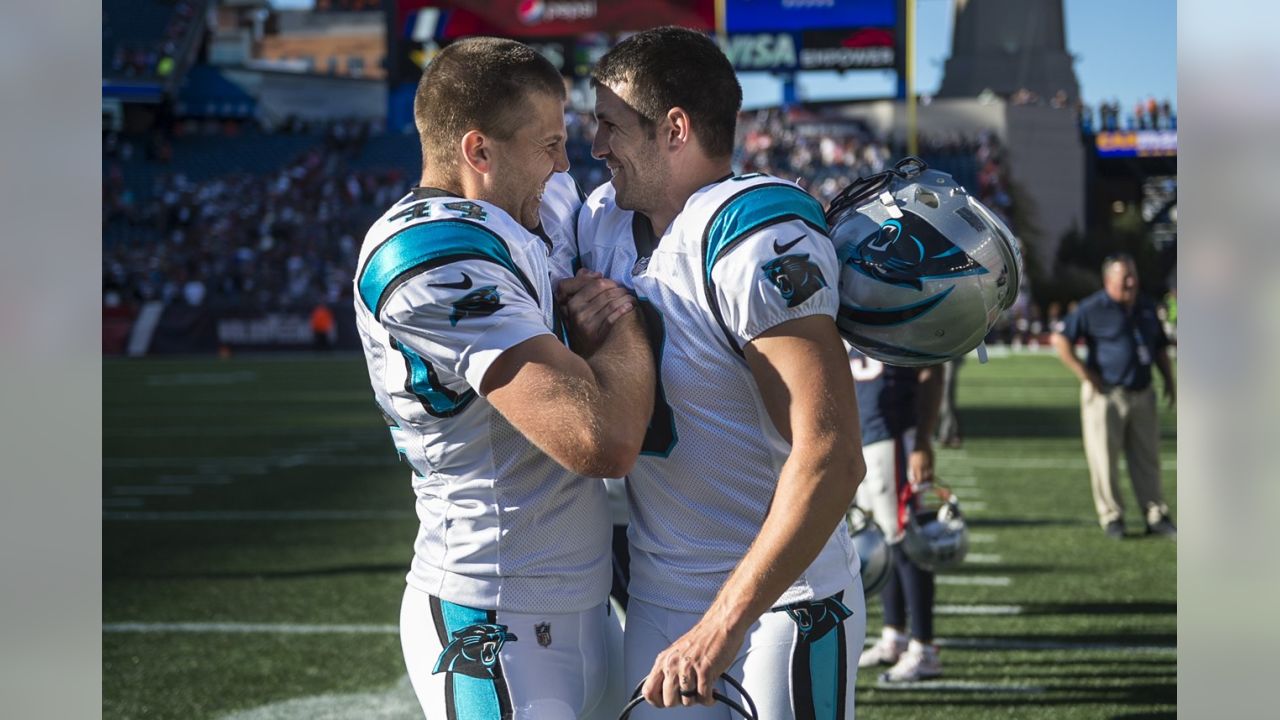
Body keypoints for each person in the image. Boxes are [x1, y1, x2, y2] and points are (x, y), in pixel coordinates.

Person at [352, 37, 655, 719]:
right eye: (547, 144)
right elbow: (598, 440)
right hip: (493, 615)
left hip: (588, 606)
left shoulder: (525, 207)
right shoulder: (428, 255)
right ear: (478, 152)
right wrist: (624, 328)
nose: (563, 162)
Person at [572, 27, 866, 718]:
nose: (596, 148)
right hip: (658, 594)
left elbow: (831, 455)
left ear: (673, 129)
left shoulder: (756, 233)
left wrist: (720, 627)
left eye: (611, 127)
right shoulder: (600, 223)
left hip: (781, 601)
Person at [1050, 254, 1176, 540]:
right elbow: (1061, 339)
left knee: (1148, 459)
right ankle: (1112, 516)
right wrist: (1085, 373)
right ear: (1109, 282)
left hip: (1142, 392)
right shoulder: (1093, 308)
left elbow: (1158, 347)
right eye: (1125, 278)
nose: (1131, 282)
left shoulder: (1145, 305)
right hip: (1106, 394)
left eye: (1133, 276)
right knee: (1104, 459)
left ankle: (1155, 514)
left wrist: (1169, 379)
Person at [847, 349, 947, 682]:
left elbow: (932, 368)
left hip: (891, 431)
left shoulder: (896, 307)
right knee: (881, 544)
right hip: (866, 433)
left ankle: (924, 648)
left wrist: (921, 439)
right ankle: (895, 634)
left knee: (905, 542)